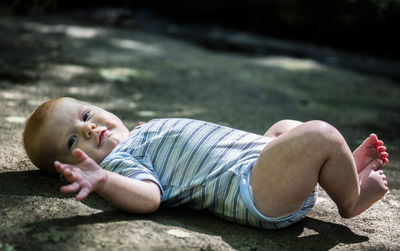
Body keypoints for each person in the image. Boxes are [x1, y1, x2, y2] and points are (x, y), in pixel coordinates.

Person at [22, 97, 389, 229]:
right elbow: (149, 197)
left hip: (256, 160)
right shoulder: (118, 162)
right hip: (255, 190)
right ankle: (350, 199)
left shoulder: (136, 138)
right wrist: (102, 179)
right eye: (72, 140)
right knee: (319, 133)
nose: (88, 128)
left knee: (286, 128)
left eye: (85, 113)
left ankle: (341, 170)